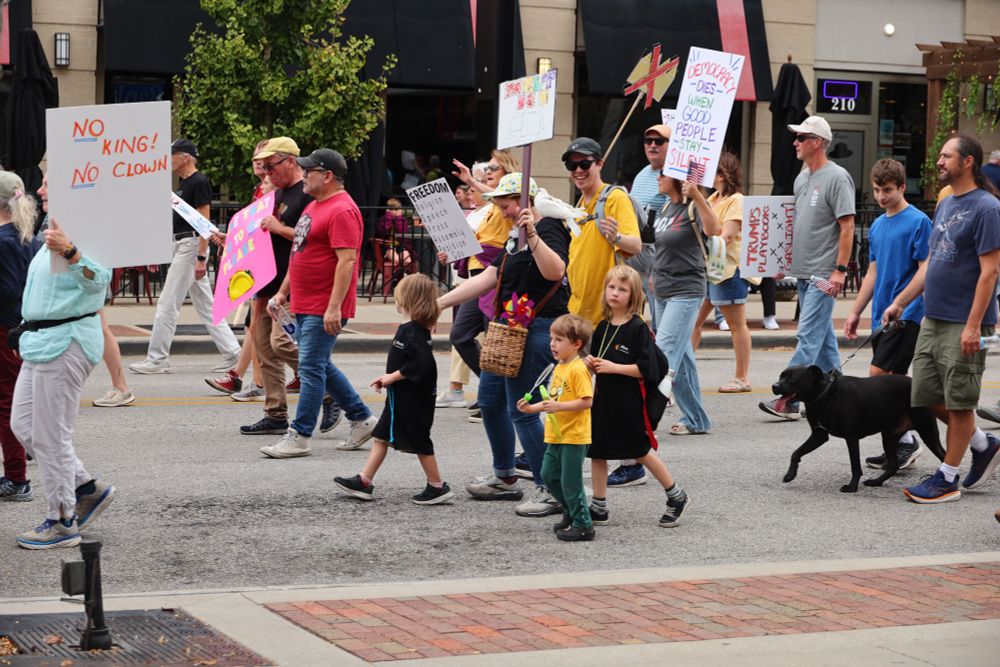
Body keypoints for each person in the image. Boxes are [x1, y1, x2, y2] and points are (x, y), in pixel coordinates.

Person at [438, 173, 570, 517]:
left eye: (507, 203)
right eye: (499, 205)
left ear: (525, 199)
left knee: (523, 410)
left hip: (539, 328)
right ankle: (505, 477)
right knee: (490, 400)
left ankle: (551, 487)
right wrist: (437, 304)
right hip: (509, 329)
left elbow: (556, 271)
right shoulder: (514, 234)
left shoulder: (551, 226)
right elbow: (490, 277)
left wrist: (535, 236)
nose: (504, 211)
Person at [883, 134, 1000, 503]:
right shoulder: (947, 204)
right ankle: (983, 444)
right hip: (933, 317)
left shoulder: (987, 208)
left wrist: (972, 326)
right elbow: (932, 262)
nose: (939, 161)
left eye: (946, 155)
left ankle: (947, 478)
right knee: (925, 395)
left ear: (967, 162)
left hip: (963, 322)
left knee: (960, 401)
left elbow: (990, 272)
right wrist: (901, 301)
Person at [261, 148, 377, 458]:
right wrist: (284, 293)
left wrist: (334, 307)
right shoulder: (315, 206)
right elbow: (300, 254)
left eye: (309, 171)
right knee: (320, 365)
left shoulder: (342, 210)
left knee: (311, 369)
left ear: (327, 176)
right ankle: (362, 418)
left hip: (324, 306)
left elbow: (347, 261)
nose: (304, 176)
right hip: (305, 302)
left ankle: (299, 436)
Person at [11, 212, 116, 548]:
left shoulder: (90, 228)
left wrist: (71, 252)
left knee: (51, 434)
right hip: (40, 340)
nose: (39, 189)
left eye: (46, 183)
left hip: (67, 341)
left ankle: (62, 520)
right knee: (24, 425)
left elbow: (99, 281)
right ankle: (85, 487)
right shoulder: (53, 227)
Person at [236, 137, 340, 437]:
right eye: (264, 167)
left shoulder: (306, 194)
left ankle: (329, 391)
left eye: (271, 166)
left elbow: (313, 238)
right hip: (267, 280)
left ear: (289, 162)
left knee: (285, 344)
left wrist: (278, 227)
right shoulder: (277, 192)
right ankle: (275, 412)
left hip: (292, 283)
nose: (267, 173)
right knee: (264, 346)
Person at [759, 116, 855, 420]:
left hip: (823, 275)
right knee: (824, 344)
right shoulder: (802, 179)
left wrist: (840, 269)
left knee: (808, 337)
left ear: (817, 142)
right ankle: (843, 394)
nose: (795, 143)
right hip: (803, 272)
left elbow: (847, 225)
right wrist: (782, 262)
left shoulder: (838, 177)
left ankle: (789, 400)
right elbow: (794, 225)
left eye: (801, 138)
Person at [333, 274, 454, 504]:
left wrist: (392, 377)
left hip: (413, 400)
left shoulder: (413, 331)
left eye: (398, 295)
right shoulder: (412, 329)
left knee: (420, 440)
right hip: (402, 397)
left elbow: (421, 364)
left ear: (406, 300)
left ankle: (437, 486)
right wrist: (389, 379)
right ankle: (364, 481)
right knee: (381, 436)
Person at [844, 159, 932, 471]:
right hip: (882, 314)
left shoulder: (919, 222)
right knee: (890, 383)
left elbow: (925, 270)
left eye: (888, 190)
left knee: (878, 378)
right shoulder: (879, 225)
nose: (882, 196)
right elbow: (873, 271)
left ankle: (907, 441)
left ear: (903, 187)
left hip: (907, 315)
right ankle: (898, 444)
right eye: (878, 190)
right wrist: (855, 311)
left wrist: (908, 307)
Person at [585, 265, 689, 528]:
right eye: (611, 287)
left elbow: (647, 369)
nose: (615, 293)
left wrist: (613, 367)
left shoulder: (637, 328)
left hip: (629, 403)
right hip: (603, 401)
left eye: (622, 289)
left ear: (633, 296)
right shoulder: (602, 327)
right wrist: (590, 364)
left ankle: (676, 495)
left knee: (640, 451)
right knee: (597, 452)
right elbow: (599, 361)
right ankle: (599, 505)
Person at [130, 138, 241, 374]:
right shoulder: (183, 185)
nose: (169, 159)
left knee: (168, 302)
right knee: (207, 306)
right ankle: (234, 353)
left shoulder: (198, 182)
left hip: (191, 246)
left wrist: (201, 256)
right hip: (182, 244)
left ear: (186, 157)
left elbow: (204, 220)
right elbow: (175, 222)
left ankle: (157, 359)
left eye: (173, 155)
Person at [605, 124, 671, 488]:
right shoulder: (643, 176)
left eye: (658, 141)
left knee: (663, 353)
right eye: (647, 140)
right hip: (643, 269)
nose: (651, 146)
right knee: (667, 349)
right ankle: (695, 415)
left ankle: (640, 441)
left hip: (670, 272)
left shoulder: (681, 180)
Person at [36, 174, 136, 408]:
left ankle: (121, 387)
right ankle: (121, 387)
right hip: (72, 287)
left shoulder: (79, 220)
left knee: (101, 328)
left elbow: (96, 272)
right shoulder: (61, 215)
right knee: (102, 328)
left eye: (47, 185)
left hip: (81, 287)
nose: (40, 191)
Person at [445, 151, 520, 423]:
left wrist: (473, 182)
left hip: (497, 281)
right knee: (460, 335)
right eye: (487, 168)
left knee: (493, 346)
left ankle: (495, 395)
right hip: (478, 280)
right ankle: (494, 389)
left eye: (494, 168)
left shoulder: (510, 201)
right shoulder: (489, 207)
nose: (488, 171)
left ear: (508, 172)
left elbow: (497, 197)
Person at [205, 139, 273, 400]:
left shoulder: (275, 190)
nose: (258, 163)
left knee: (264, 328)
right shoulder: (260, 189)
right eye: (255, 159)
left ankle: (259, 382)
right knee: (253, 324)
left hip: (272, 269)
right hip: (259, 267)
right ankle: (239, 377)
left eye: (263, 159)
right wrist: (232, 240)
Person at [517, 314, 594, 541]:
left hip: (574, 436)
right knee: (548, 475)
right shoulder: (559, 367)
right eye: (551, 338)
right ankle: (571, 512)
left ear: (576, 344)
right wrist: (532, 409)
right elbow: (552, 400)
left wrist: (558, 406)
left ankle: (583, 524)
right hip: (556, 434)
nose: (552, 344)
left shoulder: (578, 369)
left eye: (559, 339)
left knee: (571, 482)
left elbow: (586, 401)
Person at [652, 172, 717, 435]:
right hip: (662, 290)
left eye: (662, 174)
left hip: (686, 289)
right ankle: (697, 419)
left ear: (677, 178)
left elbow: (714, 229)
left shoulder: (693, 205)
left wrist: (699, 196)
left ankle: (645, 417)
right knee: (683, 359)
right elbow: (661, 248)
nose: (657, 177)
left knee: (662, 353)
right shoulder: (666, 206)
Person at [690, 152, 753, 393]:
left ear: (721, 174)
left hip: (727, 269)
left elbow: (725, 235)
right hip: (708, 268)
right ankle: (679, 369)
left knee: (736, 324)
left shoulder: (736, 200)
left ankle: (742, 377)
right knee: (694, 321)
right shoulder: (713, 197)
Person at [562, 137, 642, 325]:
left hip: (607, 316)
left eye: (584, 164)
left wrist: (616, 238)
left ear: (599, 164)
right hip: (578, 312)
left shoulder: (614, 198)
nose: (578, 170)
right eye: (572, 165)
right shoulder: (578, 207)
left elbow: (636, 246)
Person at [0, 173, 38, 501]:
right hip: (21, 327)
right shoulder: (27, 236)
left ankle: (16, 478)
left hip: (6, 328)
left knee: (7, 402)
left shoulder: (5, 240)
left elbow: (10, 290)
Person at [374, 197, 416, 296]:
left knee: (407, 261)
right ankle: (396, 282)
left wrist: (398, 219)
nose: (394, 212)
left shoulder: (403, 220)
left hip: (401, 246)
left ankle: (400, 283)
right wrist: (389, 217)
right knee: (396, 261)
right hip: (388, 246)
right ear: (387, 210)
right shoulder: (384, 219)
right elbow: (382, 231)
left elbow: (402, 232)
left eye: (396, 209)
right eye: (391, 209)